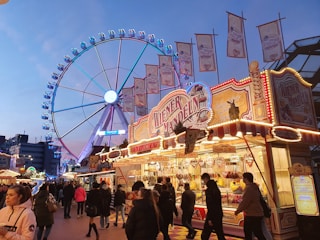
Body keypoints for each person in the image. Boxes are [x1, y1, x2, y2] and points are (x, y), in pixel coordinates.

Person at [235, 172, 266, 240]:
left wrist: (238, 210)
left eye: (243, 178)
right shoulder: (255, 187)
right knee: (257, 232)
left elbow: (245, 201)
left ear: (246, 179)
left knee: (249, 232)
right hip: (257, 212)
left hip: (252, 214)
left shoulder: (249, 188)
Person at [200, 173, 226, 240]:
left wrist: (210, 218)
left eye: (203, 180)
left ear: (206, 179)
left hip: (212, 215)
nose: (204, 182)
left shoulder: (209, 190)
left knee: (205, 234)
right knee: (220, 233)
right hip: (218, 213)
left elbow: (210, 205)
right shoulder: (216, 188)